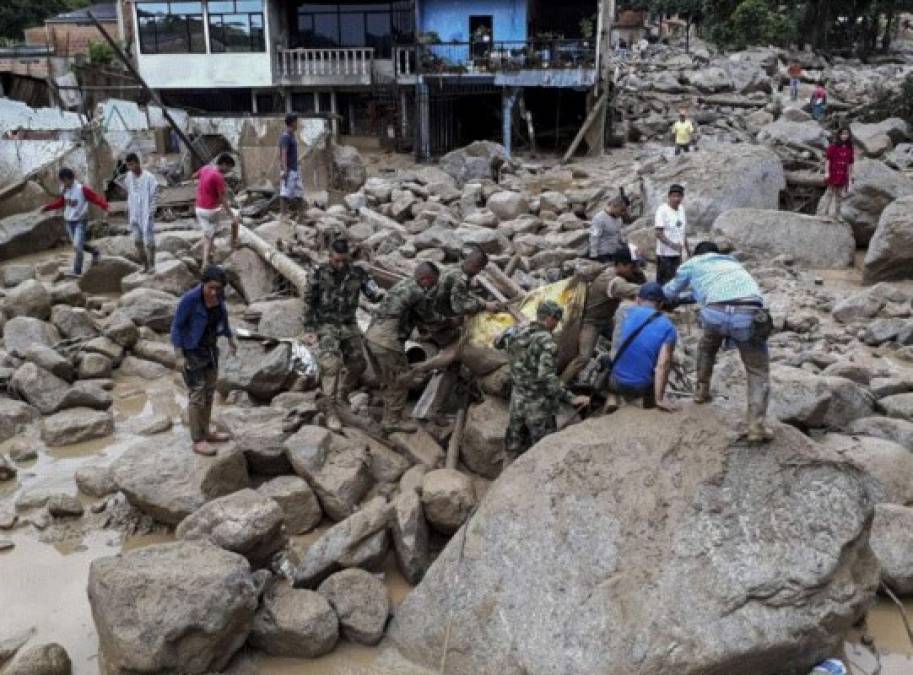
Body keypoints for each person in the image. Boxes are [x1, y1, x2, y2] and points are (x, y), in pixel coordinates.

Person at [663, 241, 773, 443]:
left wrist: (658, 296)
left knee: (707, 347)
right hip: (747, 315)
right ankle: (756, 427)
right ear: (717, 253)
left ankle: (701, 391)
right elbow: (730, 293)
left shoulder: (694, 263)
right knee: (758, 371)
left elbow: (669, 292)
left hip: (714, 314)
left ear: (696, 254)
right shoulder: (733, 263)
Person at [302, 239, 385, 432]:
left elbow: (373, 293)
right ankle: (330, 409)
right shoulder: (318, 273)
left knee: (358, 364)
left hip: (349, 324)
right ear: (330, 257)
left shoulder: (358, 273)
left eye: (344, 260)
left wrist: (382, 294)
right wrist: (309, 328)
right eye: (337, 260)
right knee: (331, 365)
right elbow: (308, 300)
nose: (341, 264)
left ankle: (342, 393)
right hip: (327, 324)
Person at [498, 300, 590, 462]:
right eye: (556, 321)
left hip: (517, 398)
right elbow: (546, 378)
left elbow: (497, 342)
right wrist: (571, 398)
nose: (556, 325)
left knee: (512, 444)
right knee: (542, 450)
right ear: (550, 318)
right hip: (538, 404)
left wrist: (516, 328)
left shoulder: (517, 332)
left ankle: (505, 477)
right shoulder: (547, 343)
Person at [365, 262, 440, 433]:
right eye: (433, 283)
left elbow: (412, 316)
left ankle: (387, 410)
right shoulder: (418, 292)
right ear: (426, 280)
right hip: (387, 341)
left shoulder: (402, 284)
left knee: (386, 378)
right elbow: (431, 318)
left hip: (371, 336)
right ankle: (392, 421)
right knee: (402, 379)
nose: (433, 286)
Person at [171, 265, 238, 456]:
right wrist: (178, 355)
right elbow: (177, 326)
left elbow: (222, 315)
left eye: (218, 288)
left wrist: (229, 337)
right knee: (197, 395)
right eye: (211, 288)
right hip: (191, 350)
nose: (214, 292)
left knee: (209, 392)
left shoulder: (218, 297)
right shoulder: (190, 299)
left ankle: (207, 431)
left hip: (210, 349)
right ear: (203, 284)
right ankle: (197, 440)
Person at [408, 246, 501, 378]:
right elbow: (459, 307)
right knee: (456, 349)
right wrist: (484, 304)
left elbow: (460, 294)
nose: (478, 273)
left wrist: (476, 300)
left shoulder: (453, 269)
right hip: (436, 319)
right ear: (474, 265)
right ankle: (421, 367)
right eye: (479, 270)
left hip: (428, 312)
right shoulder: (459, 279)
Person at [560, 245, 646, 385]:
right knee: (584, 357)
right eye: (633, 267)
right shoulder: (610, 280)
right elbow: (633, 290)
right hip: (590, 322)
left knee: (627, 340)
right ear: (621, 265)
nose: (636, 270)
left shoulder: (619, 273)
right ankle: (560, 385)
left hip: (605, 320)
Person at [604, 282, 677, 412]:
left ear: (638, 300)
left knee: (607, 360)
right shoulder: (668, 327)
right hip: (641, 387)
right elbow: (663, 365)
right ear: (660, 304)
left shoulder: (624, 312)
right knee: (657, 368)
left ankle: (612, 397)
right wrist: (660, 398)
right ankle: (651, 405)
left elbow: (616, 343)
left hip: (616, 382)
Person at [42, 167, 108, 277]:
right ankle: (95, 251)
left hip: (80, 221)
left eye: (64, 180)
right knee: (78, 245)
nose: (63, 183)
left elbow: (95, 198)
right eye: (61, 181)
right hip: (69, 221)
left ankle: (77, 271)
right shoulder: (64, 189)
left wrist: (105, 206)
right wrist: (49, 207)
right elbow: (62, 202)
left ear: (70, 179)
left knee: (77, 246)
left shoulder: (82, 189)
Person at [195, 153, 240, 270]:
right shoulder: (218, 177)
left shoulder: (205, 168)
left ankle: (205, 262)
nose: (229, 171)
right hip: (211, 210)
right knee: (236, 215)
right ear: (224, 164)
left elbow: (194, 176)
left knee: (208, 236)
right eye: (229, 168)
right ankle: (234, 245)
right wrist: (231, 216)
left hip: (199, 209)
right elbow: (222, 199)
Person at [122, 152, 159, 274]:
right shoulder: (129, 177)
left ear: (138, 163)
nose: (131, 168)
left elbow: (154, 195)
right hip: (134, 213)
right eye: (128, 165)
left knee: (149, 241)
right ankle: (145, 265)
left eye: (132, 164)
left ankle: (152, 264)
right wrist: (128, 207)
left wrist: (152, 210)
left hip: (146, 212)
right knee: (137, 241)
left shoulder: (149, 178)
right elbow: (130, 193)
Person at [654, 183, 690, 284]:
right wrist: (673, 245)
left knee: (675, 280)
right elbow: (658, 233)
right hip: (665, 254)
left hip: (678, 253)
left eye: (679, 196)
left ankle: (673, 299)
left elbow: (683, 231)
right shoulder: (662, 210)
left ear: (682, 197)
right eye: (674, 196)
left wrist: (688, 250)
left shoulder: (681, 209)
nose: (676, 199)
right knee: (664, 282)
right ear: (669, 196)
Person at [821, 127, 854, 221]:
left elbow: (851, 163)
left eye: (846, 134)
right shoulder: (833, 146)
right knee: (829, 193)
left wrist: (851, 176)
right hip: (833, 173)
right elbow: (828, 160)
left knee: (839, 195)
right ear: (839, 135)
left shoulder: (849, 147)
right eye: (843, 134)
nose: (844, 136)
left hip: (843, 174)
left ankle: (837, 214)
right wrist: (827, 172)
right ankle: (825, 214)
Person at [279, 113, 305, 222]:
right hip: (289, 169)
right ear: (293, 122)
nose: (298, 124)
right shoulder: (285, 137)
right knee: (285, 194)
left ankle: (301, 215)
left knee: (299, 192)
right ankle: (283, 215)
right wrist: (285, 169)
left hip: (295, 168)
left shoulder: (292, 136)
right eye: (296, 122)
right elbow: (283, 154)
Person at [589, 195, 627, 263]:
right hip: (603, 254)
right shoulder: (599, 218)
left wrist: (625, 246)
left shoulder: (619, 219)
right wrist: (593, 255)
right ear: (614, 206)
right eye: (622, 210)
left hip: (615, 251)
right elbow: (594, 237)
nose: (623, 213)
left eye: (624, 211)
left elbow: (620, 235)